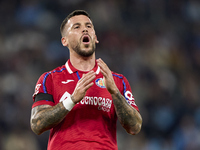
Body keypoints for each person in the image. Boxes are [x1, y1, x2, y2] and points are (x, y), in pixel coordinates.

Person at [30, 10, 142, 150]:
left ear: (95, 37)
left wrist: (115, 93)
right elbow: (37, 124)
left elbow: (135, 127)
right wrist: (72, 100)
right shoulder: (50, 79)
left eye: (89, 26)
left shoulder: (117, 81)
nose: (84, 29)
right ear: (64, 41)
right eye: (76, 27)